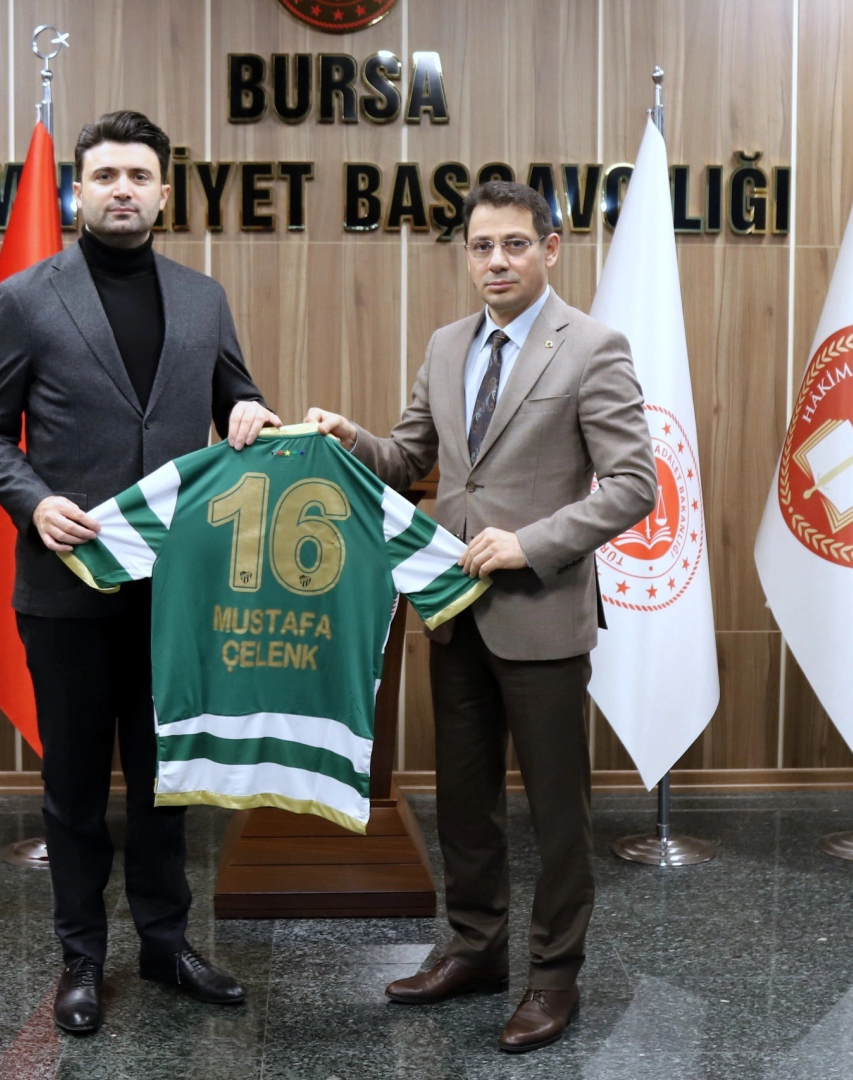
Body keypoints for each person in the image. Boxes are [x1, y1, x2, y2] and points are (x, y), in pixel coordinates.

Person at [305, 180, 656, 1053]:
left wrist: (528, 544)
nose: (496, 261)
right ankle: (474, 949)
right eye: (481, 246)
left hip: (540, 612)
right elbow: (408, 459)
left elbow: (632, 485)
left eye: (514, 244)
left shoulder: (593, 347)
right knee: (464, 801)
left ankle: (554, 977)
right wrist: (349, 437)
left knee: (558, 815)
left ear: (551, 248)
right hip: (452, 609)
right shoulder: (446, 344)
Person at [0, 110, 279, 1036]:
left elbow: (237, 396)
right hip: (65, 585)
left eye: (138, 176)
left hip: (174, 591)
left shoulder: (203, 298)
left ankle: (166, 944)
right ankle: (80, 959)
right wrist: (33, 502)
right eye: (105, 176)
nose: (122, 190)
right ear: (79, 191)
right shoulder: (27, 298)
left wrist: (252, 410)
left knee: (165, 782)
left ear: (164, 191)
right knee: (73, 789)